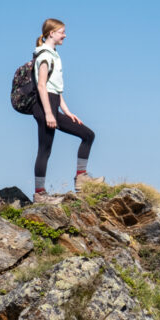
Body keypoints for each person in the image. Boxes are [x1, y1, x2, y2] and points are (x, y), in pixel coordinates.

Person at [31, 18, 103, 203]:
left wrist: (68, 112)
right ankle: (39, 194)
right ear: (51, 33)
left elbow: (55, 89)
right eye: (62, 32)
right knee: (44, 150)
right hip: (44, 107)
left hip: (53, 106)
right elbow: (41, 86)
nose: (65, 35)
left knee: (88, 135)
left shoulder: (54, 54)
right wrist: (48, 113)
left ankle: (81, 178)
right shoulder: (45, 55)